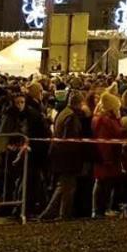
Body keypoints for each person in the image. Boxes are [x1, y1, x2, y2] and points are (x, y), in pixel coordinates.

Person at [40, 90, 87, 221]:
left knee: (63, 186)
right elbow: (70, 140)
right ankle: (63, 214)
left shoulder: (64, 113)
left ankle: (49, 213)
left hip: (60, 155)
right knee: (68, 187)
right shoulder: (71, 116)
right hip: (67, 158)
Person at [91, 92, 126, 218]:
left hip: (110, 157)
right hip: (107, 158)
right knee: (103, 183)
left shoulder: (105, 119)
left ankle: (103, 208)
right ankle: (100, 210)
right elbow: (103, 141)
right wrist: (106, 159)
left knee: (106, 183)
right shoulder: (104, 121)